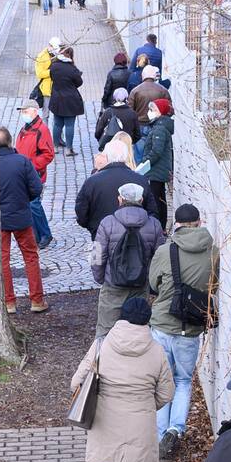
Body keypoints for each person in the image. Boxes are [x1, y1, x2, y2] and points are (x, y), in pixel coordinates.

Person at [71, 296, 173, 462]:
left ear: (121, 316)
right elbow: (167, 393)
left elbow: (77, 382)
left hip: (105, 422)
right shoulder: (156, 350)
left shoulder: (102, 345)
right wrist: (145, 405)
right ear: (147, 320)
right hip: (138, 426)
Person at [148, 203, 219, 457]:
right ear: (200, 222)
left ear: (176, 224)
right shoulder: (213, 252)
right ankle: (175, 429)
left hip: (162, 326)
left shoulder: (165, 251)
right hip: (190, 328)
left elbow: (153, 284)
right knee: (183, 380)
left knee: (161, 381)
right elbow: (214, 285)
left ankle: (159, 434)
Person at [90, 183, 165, 335]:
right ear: (141, 199)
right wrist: (153, 285)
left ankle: (105, 358)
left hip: (113, 285)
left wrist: (101, 278)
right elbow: (159, 259)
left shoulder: (107, 223)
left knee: (106, 331)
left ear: (120, 199)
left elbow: (97, 255)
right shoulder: (154, 225)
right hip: (141, 284)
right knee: (138, 330)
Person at [0, 127, 48, 314]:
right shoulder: (22, 161)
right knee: (31, 257)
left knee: (3, 260)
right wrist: (23, 198)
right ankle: (36, 300)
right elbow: (36, 188)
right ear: (10, 142)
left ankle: (9, 302)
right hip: (21, 216)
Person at [75, 138, 159, 239]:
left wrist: (93, 228)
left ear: (107, 156)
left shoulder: (92, 181)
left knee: (100, 255)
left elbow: (81, 212)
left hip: (101, 235)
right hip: (135, 237)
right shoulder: (140, 179)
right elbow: (152, 212)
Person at [15, 99, 55, 251]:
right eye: (22, 112)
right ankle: (38, 236)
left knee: (34, 204)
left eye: (25, 111)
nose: (23, 114)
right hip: (23, 172)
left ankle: (45, 234)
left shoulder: (41, 130)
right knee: (30, 204)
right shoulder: (26, 128)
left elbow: (48, 154)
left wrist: (30, 165)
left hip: (34, 174)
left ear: (34, 111)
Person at [137, 98, 173, 228]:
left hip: (156, 170)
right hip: (158, 169)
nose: (149, 112)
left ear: (161, 112)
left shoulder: (159, 129)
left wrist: (144, 162)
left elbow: (156, 151)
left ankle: (158, 226)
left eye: (153, 110)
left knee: (156, 200)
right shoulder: (160, 126)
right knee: (160, 198)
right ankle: (161, 226)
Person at [48, 45, 84, 155]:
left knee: (57, 124)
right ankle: (68, 149)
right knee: (69, 125)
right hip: (70, 100)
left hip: (57, 99)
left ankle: (55, 147)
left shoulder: (53, 66)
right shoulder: (72, 69)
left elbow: (52, 77)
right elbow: (79, 83)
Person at [32, 35, 60, 112]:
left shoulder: (59, 54)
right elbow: (39, 74)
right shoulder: (41, 57)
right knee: (46, 114)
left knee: (57, 113)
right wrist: (52, 72)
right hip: (46, 89)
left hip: (58, 88)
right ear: (50, 46)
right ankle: (45, 125)